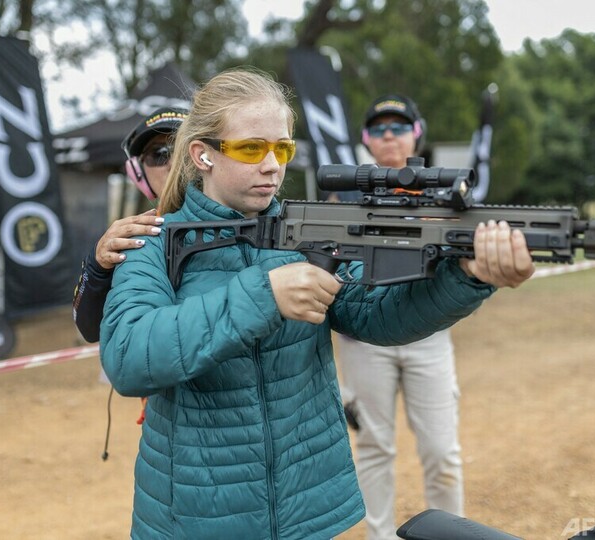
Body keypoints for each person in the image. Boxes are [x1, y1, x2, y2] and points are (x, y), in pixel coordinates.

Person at [99, 67, 534, 540]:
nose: (272, 165)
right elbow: (128, 357)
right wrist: (265, 295)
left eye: (282, 148)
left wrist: (465, 277)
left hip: (306, 513)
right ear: (202, 155)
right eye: (251, 148)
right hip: (195, 518)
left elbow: (375, 315)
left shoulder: (304, 232)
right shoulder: (153, 243)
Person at [338, 94, 472, 539]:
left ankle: (451, 533)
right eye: (378, 129)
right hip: (364, 344)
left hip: (428, 338)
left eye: (398, 127)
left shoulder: (443, 192)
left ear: (418, 133)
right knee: (374, 446)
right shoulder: (343, 192)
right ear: (365, 141)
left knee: (441, 451)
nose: (389, 136)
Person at [72, 106, 187, 343]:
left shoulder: (240, 214)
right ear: (138, 174)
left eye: (183, 149)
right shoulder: (130, 238)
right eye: (160, 153)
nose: (173, 162)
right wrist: (97, 266)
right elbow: (89, 329)